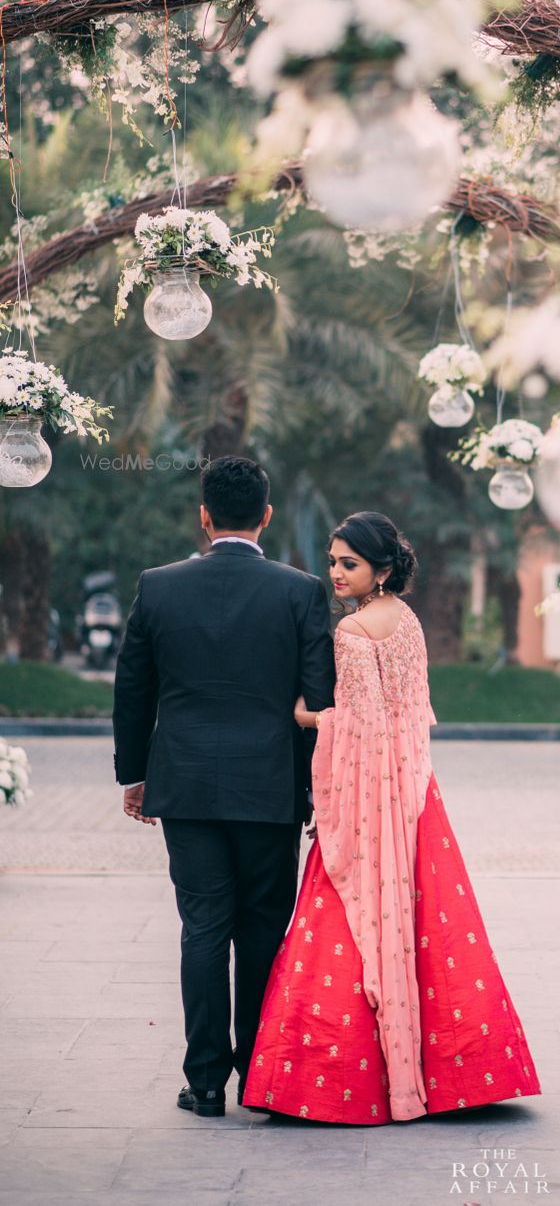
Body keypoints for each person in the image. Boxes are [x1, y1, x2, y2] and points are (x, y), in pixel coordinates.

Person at [243, 511, 540, 1123]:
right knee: (431, 920)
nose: (335, 574)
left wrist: (306, 716)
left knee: (346, 915)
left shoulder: (353, 634)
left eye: (348, 564)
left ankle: (328, 1081)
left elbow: (358, 723)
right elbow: (413, 713)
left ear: (381, 568)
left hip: (368, 795)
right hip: (413, 788)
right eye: (332, 562)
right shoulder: (406, 621)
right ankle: (459, 1073)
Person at [112, 456, 335, 1119]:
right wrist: (318, 788)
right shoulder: (300, 591)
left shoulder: (158, 586)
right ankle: (262, 1080)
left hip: (184, 784)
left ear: (204, 516)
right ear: (265, 516)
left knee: (202, 928)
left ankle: (205, 1083)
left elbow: (133, 688)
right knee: (264, 930)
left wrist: (135, 774)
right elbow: (319, 698)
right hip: (270, 786)